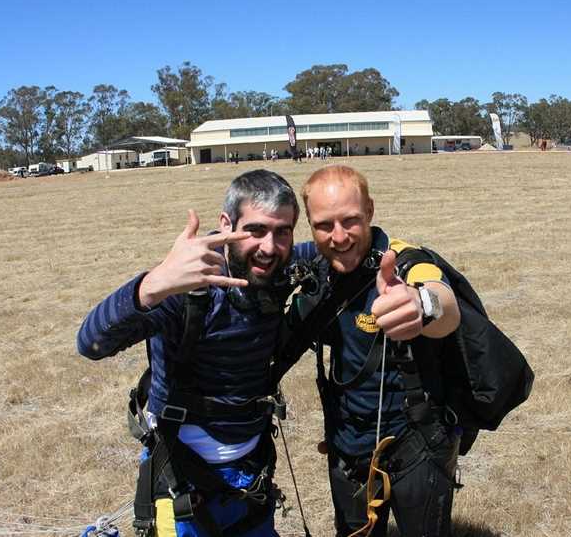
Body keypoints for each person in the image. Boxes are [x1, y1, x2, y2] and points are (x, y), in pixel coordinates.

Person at [77, 170, 300, 537]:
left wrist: (426, 293)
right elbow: (90, 343)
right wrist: (154, 285)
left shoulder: (279, 269)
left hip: (251, 472)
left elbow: (355, 252)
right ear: (226, 224)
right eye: (255, 230)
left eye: (283, 231)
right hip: (180, 478)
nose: (269, 246)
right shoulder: (184, 287)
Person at [293, 165, 462, 536]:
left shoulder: (403, 261)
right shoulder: (316, 269)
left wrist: (421, 305)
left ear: (369, 211)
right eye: (324, 225)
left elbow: (444, 305)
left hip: (414, 443)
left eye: (350, 221)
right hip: (348, 447)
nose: (339, 237)